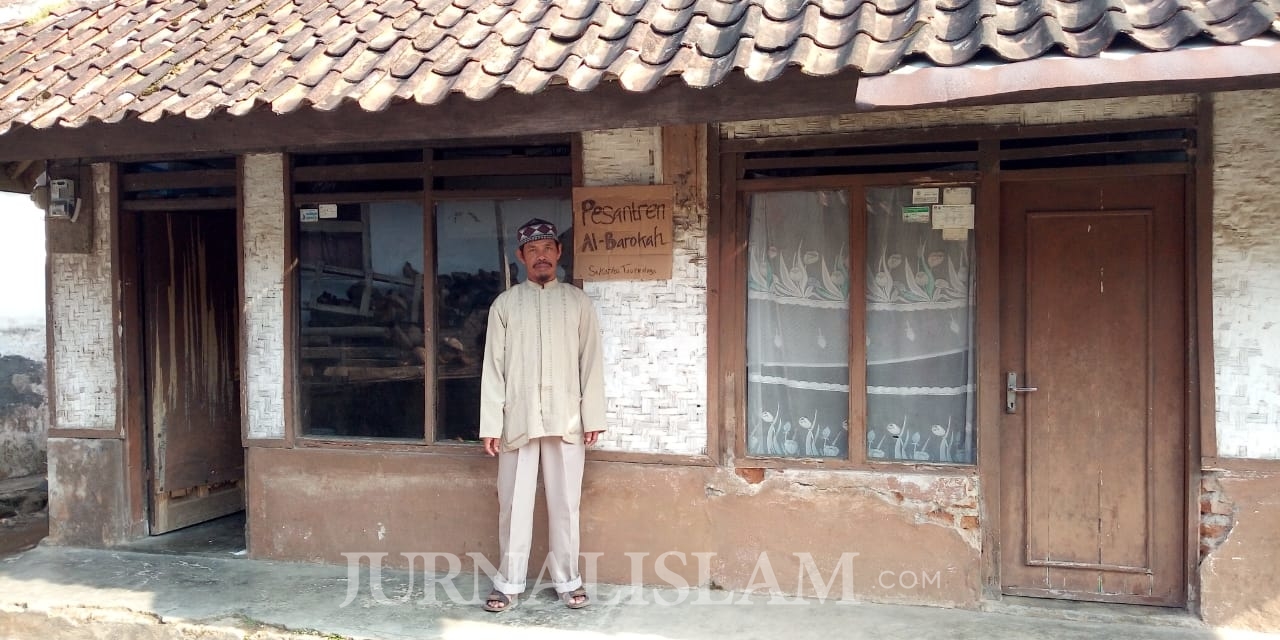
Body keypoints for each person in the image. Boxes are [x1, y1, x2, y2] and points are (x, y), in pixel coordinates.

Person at [479, 217, 606, 612]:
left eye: (547, 248)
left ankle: (568, 581)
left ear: (559, 253)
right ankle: (509, 583)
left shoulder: (576, 302)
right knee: (513, 504)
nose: (541, 257)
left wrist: (593, 416)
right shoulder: (505, 305)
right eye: (532, 251)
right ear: (520, 257)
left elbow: (592, 363)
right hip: (517, 420)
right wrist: (491, 424)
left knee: (566, 503)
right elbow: (493, 368)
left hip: (567, 418)